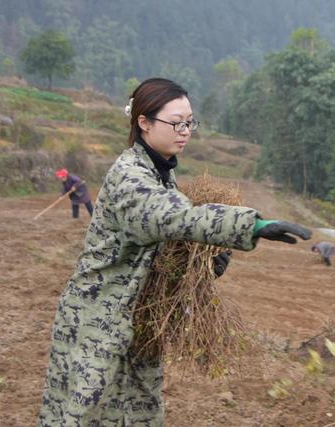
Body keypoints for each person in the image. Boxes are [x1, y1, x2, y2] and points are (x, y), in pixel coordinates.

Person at [38, 78, 312, 426]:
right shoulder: (131, 177)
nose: (185, 131)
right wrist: (253, 226)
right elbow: (175, 218)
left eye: (190, 122)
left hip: (137, 321)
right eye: (176, 123)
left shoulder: (161, 174)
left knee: (140, 413)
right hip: (96, 321)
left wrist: (202, 266)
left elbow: (157, 254)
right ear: (144, 122)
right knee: (85, 415)